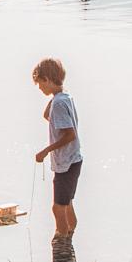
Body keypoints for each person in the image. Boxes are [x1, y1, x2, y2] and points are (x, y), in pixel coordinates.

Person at [31, 57, 82, 245]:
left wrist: (45, 151)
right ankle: (70, 233)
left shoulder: (59, 103)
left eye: (40, 83)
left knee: (58, 207)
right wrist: (53, 97)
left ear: (47, 79)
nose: (39, 88)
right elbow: (47, 116)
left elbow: (70, 135)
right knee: (66, 202)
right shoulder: (64, 97)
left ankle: (61, 240)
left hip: (66, 163)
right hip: (73, 160)